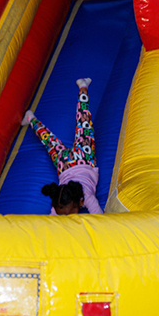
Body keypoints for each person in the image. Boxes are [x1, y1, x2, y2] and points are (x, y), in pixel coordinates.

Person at [21, 78, 103, 215]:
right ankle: (83, 87)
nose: (65, 218)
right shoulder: (63, 203)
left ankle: (30, 118)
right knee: (81, 122)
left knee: (51, 138)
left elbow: (100, 217)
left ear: (81, 202)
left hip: (79, 159)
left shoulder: (85, 197)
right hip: (68, 162)